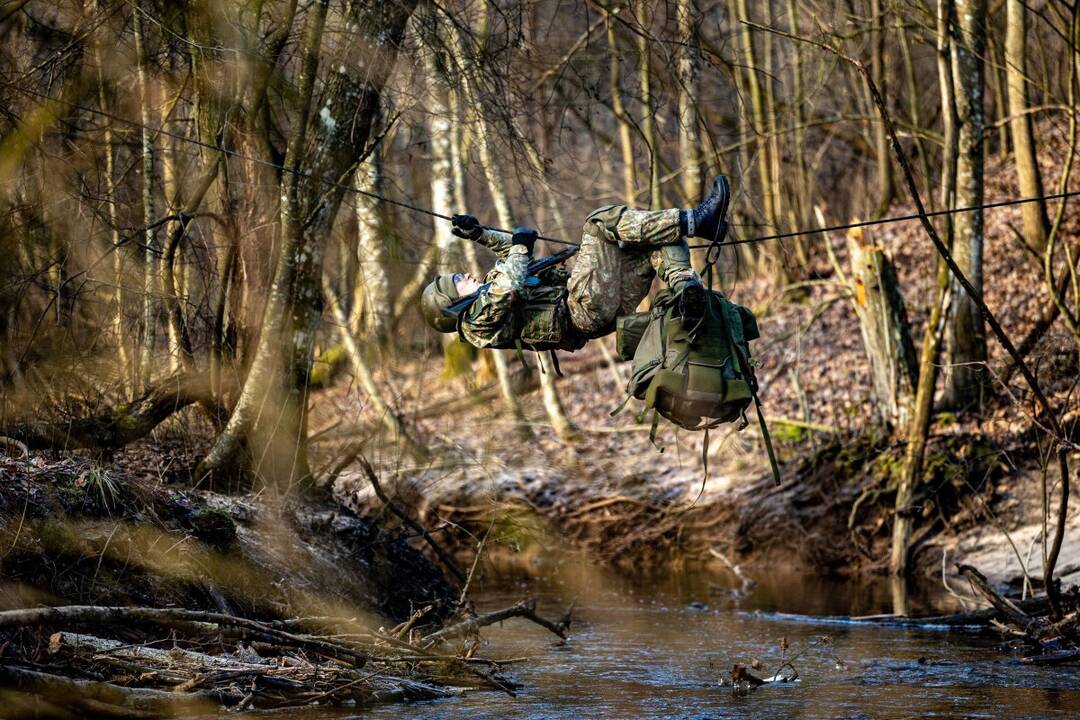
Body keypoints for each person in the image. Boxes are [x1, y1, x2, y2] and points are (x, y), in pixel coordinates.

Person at [420, 176, 731, 352]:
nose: (466, 275)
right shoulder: (476, 323)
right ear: (453, 302)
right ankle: (697, 222)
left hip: (602, 310)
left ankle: (687, 291)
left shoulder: (487, 296)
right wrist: (518, 249)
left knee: (661, 234)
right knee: (598, 221)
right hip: (581, 309)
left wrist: (479, 234)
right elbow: (509, 283)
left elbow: (510, 262)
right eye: (458, 279)